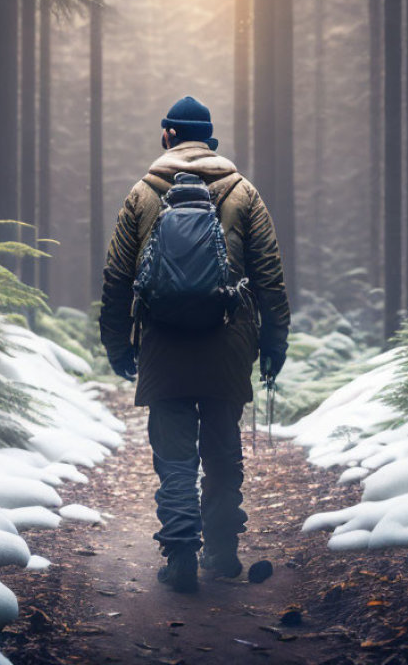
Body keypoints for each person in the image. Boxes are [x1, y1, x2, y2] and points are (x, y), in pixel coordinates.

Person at [99, 95, 290, 593]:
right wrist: (274, 343)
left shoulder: (142, 195)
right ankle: (223, 554)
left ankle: (181, 553)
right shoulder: (245, 193)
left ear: (167, 137)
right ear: (211, 142)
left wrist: (118, 344)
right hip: (229, 344)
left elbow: (118, 278)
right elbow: (270, 277)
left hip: (163, 346)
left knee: (176, 456)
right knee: (223, 452)